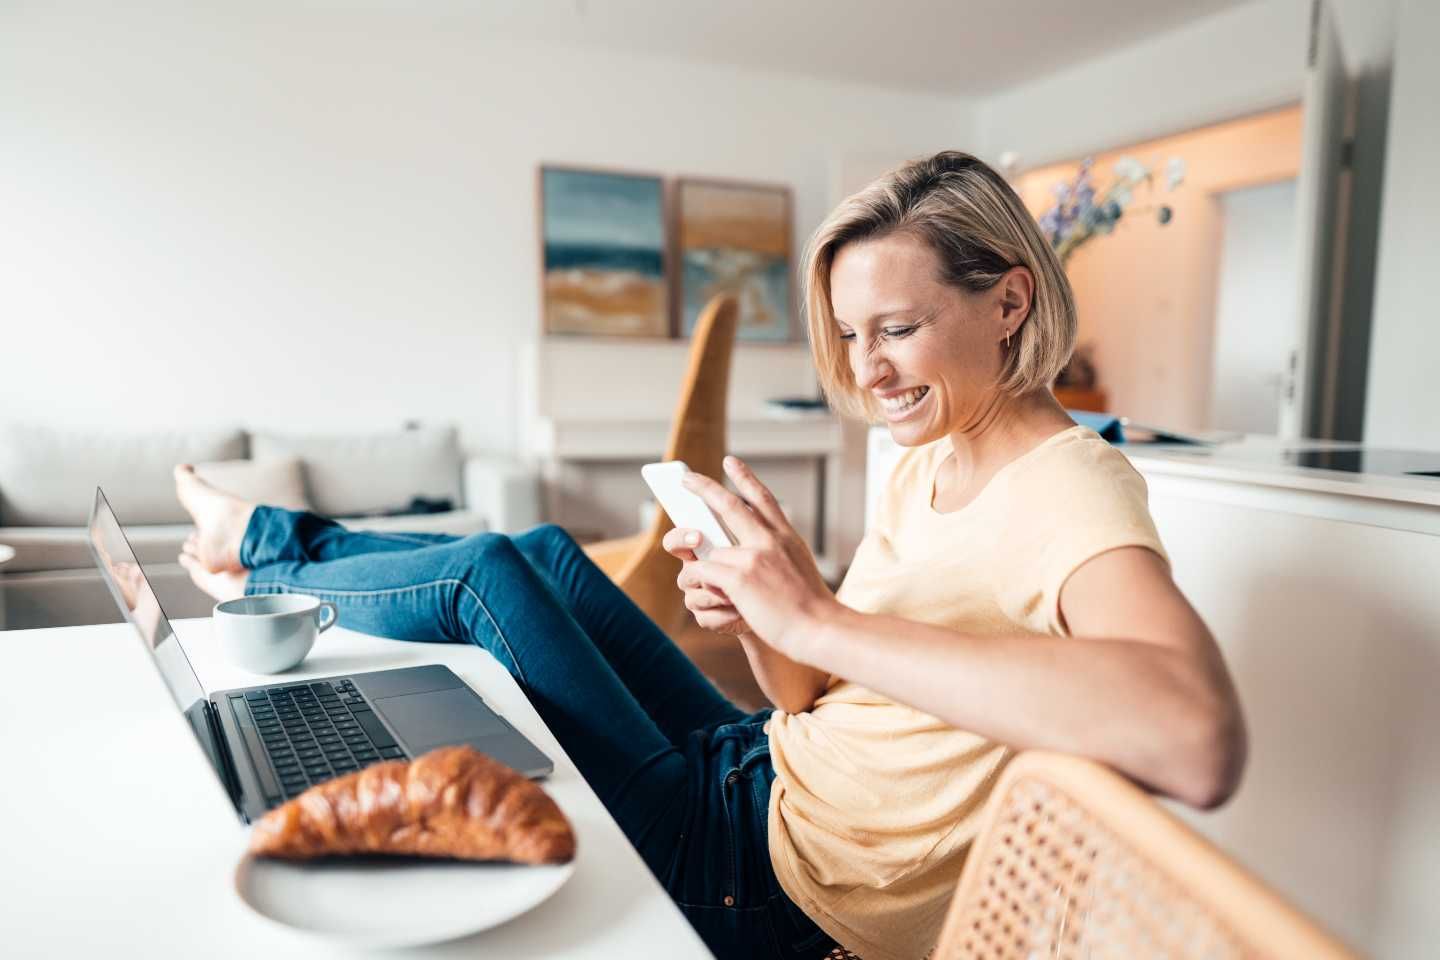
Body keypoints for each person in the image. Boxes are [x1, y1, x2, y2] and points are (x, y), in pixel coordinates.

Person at [176, 150, 1245, 960]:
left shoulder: (1070, 484)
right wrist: (773, 603)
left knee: (484, 577)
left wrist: (821, 618)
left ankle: (259, 553)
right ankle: (260, 556)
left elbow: (1196, 738)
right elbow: (813, 694)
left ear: (1008, 300)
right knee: (544, 553)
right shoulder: (931, 456)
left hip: (766, 884)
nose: (868, 372)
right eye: (851, 334)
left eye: (898, 329)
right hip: (764, 766)